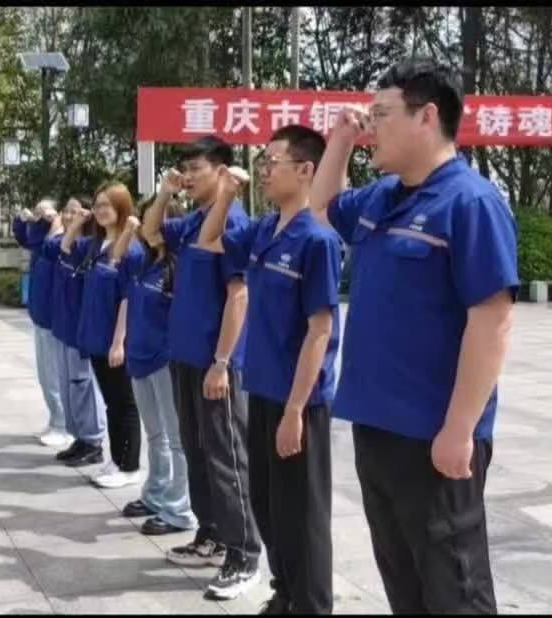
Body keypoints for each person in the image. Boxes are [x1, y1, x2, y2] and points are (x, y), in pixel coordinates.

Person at [308, 58, 518, 613]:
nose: (371, 126)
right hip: (377, 429)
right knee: (404, 585)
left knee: (455, 591)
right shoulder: (381, 197)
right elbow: (320, 210)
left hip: (434, 438)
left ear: (427, 117)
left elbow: (492, 320)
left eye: (381, 114)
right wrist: (340, 141)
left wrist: (459, 429)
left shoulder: (471, 202)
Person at [198, 125, 341, 614]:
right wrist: (227, 192)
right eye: (262, 161)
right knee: (268, 504)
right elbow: (209, 238)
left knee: (304, 514)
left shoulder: (317, 240)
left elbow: (320, 330)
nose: (263, 170)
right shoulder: (264, 230)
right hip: (261, 389)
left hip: (298, 401)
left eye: (272, 162)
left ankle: (312, 604)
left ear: (305, 170)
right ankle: (286, 593)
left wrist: (296, 410)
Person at [141, 136, 261, 601]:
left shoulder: (232, 221)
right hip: (185, 356)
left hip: (216, 362)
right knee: (196, 450)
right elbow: (152, 233)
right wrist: (165, 193)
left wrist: (222, 362)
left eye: (196, 168)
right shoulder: (194, 220)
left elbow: (239, 295)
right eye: (184, 169)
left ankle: (244, 554)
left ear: (222, 171)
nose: (188, 176)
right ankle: (211, 534)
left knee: (226, 457)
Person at [107, 197, 198, 535]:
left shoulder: (179, 266)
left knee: (176, 438)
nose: (150, 227)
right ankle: (156, 494)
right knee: (155, 434)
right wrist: (130, 231)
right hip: (140, 358)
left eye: (156, 221)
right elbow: (114, 258)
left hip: (165, 361)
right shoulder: (142, 262)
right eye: (146, 221)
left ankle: (180, 507)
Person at [62, 183, 144, 488]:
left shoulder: (131, 246)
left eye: (107, 204)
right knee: (112, 402)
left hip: (114, 338)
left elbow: (127, 298)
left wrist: (119, 342)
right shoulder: (95, 244)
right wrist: (78, 222)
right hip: (95, 335)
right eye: (97, 205)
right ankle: (117, 459)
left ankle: (130, 465)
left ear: (122, 207)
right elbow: (65, 247)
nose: (100, 210)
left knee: (124, 402)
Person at [41, 197, 107, 468]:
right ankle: (79, 437)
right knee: (68, 386)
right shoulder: (66, 245)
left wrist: (79, 224)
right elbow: (50, 247)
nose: (70, 216)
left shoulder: (91, 248)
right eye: (67, 211)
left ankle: (93, 441)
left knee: (83, 386)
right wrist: (65, 224)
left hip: (81, 333)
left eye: (75, 211)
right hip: (62, 328)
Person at [13, 199, 72, 448]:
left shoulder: (64, 241)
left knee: (55, 377)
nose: (40, 214)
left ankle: (63, 425)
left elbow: (50, 247)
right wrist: (23, 218)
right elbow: (24, 238)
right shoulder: (43, 238)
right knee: (45, 377)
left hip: (53, 320)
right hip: (40, 318)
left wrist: (55, 222)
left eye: (44, 210)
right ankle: (55, 419)